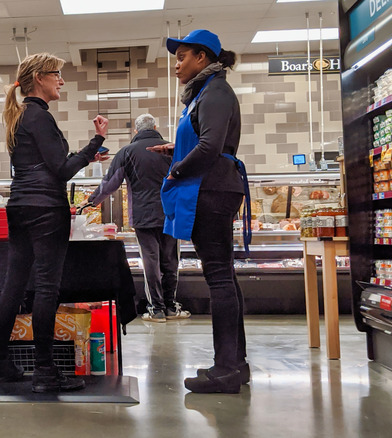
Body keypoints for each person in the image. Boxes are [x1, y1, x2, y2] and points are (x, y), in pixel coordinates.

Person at [0, 52, 109, 393]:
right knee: (46, 289)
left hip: (21, 207)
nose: (62, 80)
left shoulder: (21, 116)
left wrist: (86, 156)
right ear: (39, 78)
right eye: (57, 74)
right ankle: (44, 372)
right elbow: (61, 169)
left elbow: (46, 164)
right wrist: (96, 140)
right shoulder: (39, 117)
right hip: (45, 210)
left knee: (13, 285)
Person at [150, 29, 250, 394]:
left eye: (182, 57)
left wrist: (177, 169)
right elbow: (208, 139)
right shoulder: (207, 92)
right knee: (225, 277)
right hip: (213, 187)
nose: (177, 65)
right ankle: (236, 364)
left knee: (219, 278)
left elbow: (210, 146)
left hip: (211, 190)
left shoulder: (216, 91)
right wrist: (176, 149)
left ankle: (225, 370)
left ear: (202, 58)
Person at [87, 113, 190, 322]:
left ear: (136, 131)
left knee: (150, 261)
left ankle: (156, 309)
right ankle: (171, 307)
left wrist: (90, 202)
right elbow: (187, 177)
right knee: (170, 260)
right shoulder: (172, 149)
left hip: (143, 216)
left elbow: (110, 184)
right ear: (155, 126)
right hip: (171, 213)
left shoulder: (127, 152)